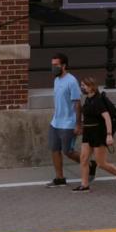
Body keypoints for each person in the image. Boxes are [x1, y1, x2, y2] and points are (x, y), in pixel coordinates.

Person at [74, 77, 116, 192]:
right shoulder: (88, 99)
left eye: (84, 85)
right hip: (88, 133)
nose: (82, 87)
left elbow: (107, 118)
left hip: (98, 134)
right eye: (81, 85)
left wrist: (109, 135)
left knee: (101, 163)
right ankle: (84, 185)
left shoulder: (98, 100)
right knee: (83, 159)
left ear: (91, 87)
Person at [45, 53, 82, 187]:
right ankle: (60, 178)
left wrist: (78, 124)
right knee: (55, 149)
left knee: (68, 151)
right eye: (52, 64)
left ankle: (89, 164)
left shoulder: (72, 81)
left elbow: (77, 103)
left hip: (68, 123)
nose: (53, 67)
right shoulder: (56, 80)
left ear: (64, 65)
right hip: (55, 122)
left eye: (56, 65)